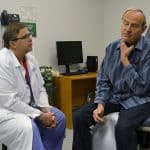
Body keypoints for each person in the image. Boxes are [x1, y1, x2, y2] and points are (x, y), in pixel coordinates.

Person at [72, 8, 150, 150]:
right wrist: (100, 103)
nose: (128, 29)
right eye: (125, 23)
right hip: (115, 98)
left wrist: (125, 61)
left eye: (134, 25)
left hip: (139, 100)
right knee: (79, 117)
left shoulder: (148, 51)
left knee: (123, 127)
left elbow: (141, 88)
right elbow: (103, 80)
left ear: (143, 29)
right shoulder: (111, 48)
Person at [0, 22, 66, 150]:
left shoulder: (30, 59)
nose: (30, 38)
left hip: (31, 107)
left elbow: (41, 88)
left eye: (29, 35)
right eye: (25, 37)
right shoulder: (3, 62)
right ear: (13, 43)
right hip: (8, 112)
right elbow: (10, 101)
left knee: (59, 118)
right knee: (30, 127)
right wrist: (40, 116)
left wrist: (46, 109)